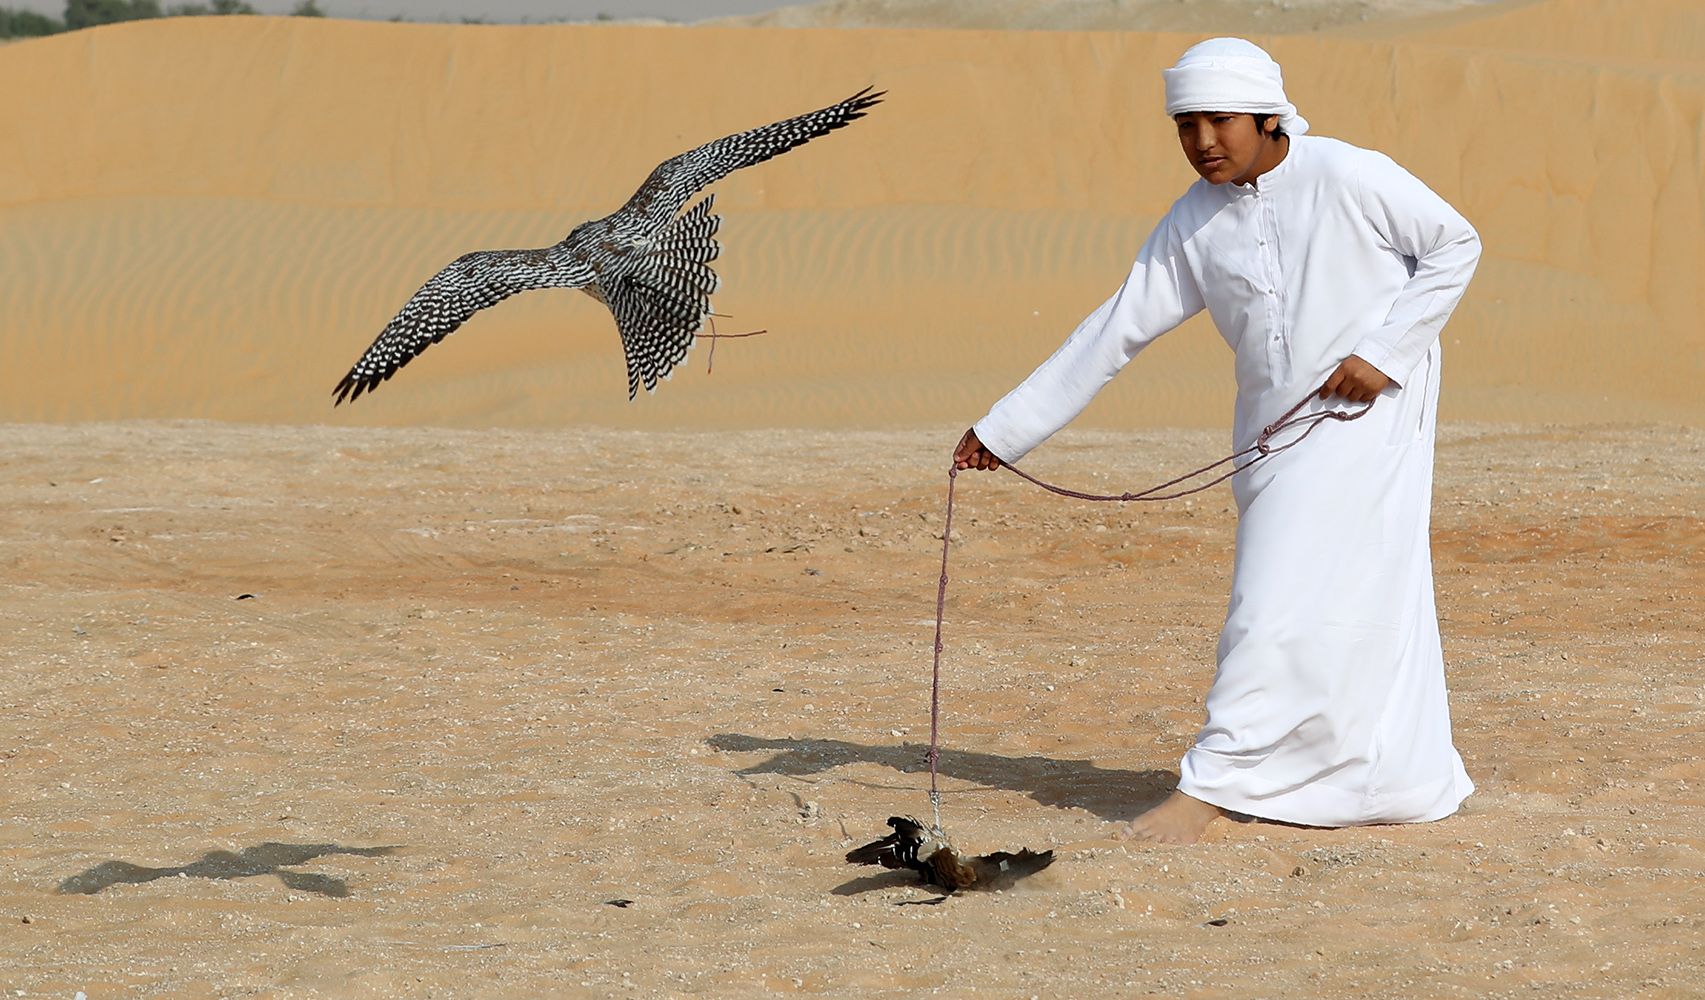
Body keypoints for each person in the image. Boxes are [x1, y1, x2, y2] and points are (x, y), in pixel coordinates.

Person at [954, 37, 1480, 844]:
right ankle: (1387, 779)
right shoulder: (1192, 223)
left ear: (1269, 118)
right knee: (1342, 601)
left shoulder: (1346, 173)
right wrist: (1005, 429)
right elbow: (1113, 329)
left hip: (1370, 420)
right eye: (1184, 123)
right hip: (1271, 434)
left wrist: (1383, 354)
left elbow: (1454, 243)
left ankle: (1207, 788)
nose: (1202, 140)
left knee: (1269, 604)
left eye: (1219, 120)